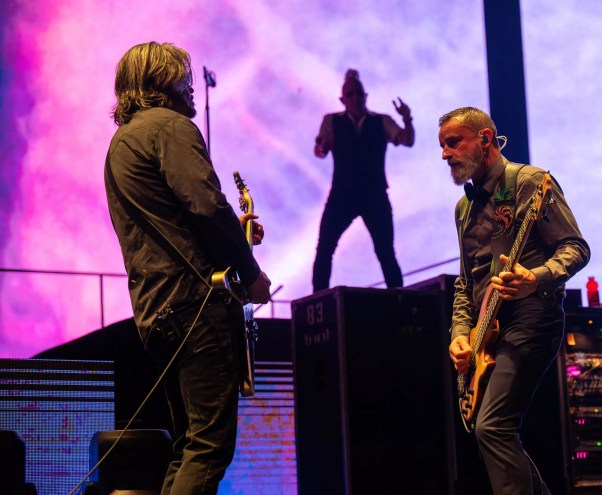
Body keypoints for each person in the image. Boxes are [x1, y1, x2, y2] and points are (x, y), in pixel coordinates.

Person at [104, 41, 271, 495]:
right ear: (161, 83)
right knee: (208, 447)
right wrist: (251, 273)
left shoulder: (121, 143)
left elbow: (174, 223)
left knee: (188, 447)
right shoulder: (170, 127)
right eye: (183, 76)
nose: (191, 85)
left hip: (158, 311)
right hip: (195, 307)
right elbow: (206, 207)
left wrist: (232, 234)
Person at [438, 107, 590, 494]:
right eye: (442, 146)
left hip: (531, 317)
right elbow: (465, 283)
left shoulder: (529, 182)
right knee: (490, 429)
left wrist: (534, 279)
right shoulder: (463, 209)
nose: (444, 154)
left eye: (453, 143)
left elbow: (575, 248)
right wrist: (460, 335)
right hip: (487, 331)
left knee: (492, 425)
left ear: (485, 138)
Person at [312, 69, 414, 292]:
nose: (355, 98)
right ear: (343, 99)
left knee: (385, 251)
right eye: (350, 94)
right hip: (342, 195)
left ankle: (401, 301)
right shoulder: (332, 121)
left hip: (374, 194)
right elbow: (319, 150)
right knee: (324, 248)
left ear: (365, 96)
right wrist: (322, 146)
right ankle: (318, 302)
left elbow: (407, 140)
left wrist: (407, 118)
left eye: (358, 93)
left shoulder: (381, 121)